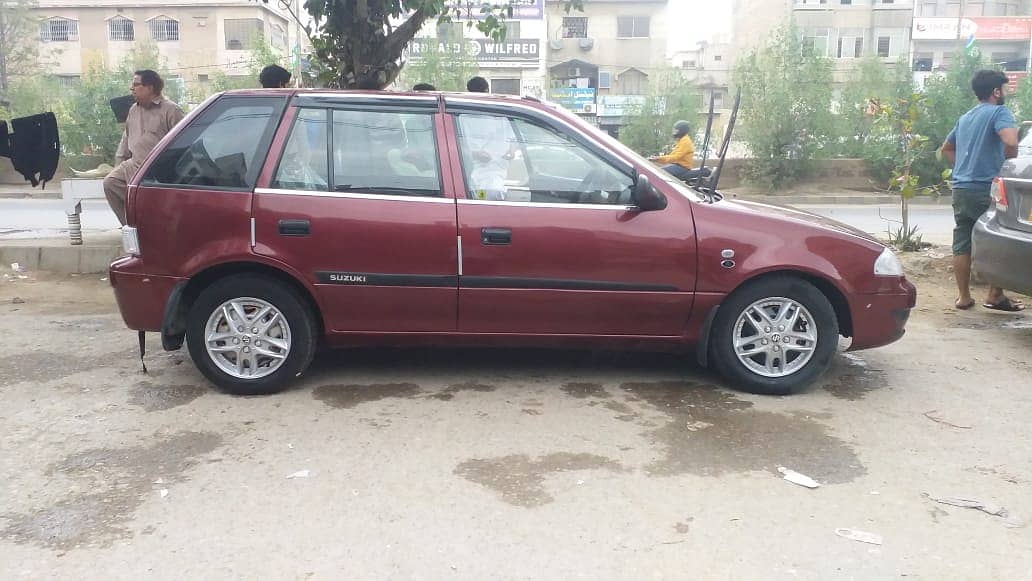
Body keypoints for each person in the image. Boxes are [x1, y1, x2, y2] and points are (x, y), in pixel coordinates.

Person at [940, 69, 1024, 312]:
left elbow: (946, 148)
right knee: (998, 238)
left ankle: (964, 297)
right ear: (996, 91)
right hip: (987, 187)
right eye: (1004, 89)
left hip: (962, 187)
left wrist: (966, 166)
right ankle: (994, 295)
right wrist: (1006, 165)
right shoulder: (1000, 112)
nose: (1005, 93)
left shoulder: (966, 118)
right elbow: (1010, 141)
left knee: (963, 240)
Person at [103, 70, 185, 226]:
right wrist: (117, 165)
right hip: (133, 165)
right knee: (110, 183)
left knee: (154, 206)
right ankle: (131, 228)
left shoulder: (171, 110)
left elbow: (183, 144)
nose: (131, 88)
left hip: (158, 170)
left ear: (150, 87)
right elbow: (125, 141)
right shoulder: (133, 110)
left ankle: (153, 231)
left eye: (136, 84)